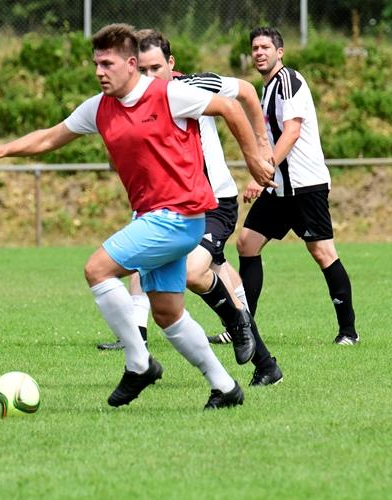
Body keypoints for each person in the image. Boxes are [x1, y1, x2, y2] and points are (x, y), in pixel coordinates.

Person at [0, 24, 276, 409]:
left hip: (179, 216)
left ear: (131, 64)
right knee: (168, 315)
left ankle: (138, 363)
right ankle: (225, 387)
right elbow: (49, 137)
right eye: (95, 64)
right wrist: (0, 150)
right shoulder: (99, 107)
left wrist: (254, 158)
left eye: (107, 63)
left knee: (97, 270)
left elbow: (230, 105)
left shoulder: (169, 94)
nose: (99, 72)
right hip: (154, 217)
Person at [97, 29, 283, 386]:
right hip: (172, 207)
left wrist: (260, 146)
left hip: (214, 202)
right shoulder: (133, 101)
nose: (150, 77)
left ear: (171, 63)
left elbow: (243, 92)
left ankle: (235, 332)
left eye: (156, 68)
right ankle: (265, 364)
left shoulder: (193, 87)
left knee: (194, 273)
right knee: (169, 273)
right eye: (144, 70)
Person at [237, 27, 359, 346]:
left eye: (265, 47)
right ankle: (243, 327)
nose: (259, 52)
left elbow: (291, 132)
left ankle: (348, 331)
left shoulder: (288, 81)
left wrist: (262, 171)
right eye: (255, 48)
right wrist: (263, 176)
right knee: (246, 243)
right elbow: (272, 139)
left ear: (280, 52)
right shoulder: (267, 89)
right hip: (279, 188)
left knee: (322, 252)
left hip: (306, 186)